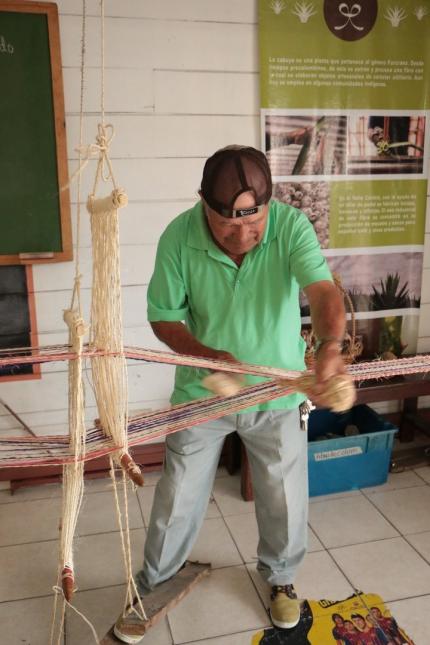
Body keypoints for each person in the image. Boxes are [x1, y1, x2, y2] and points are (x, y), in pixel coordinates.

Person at [114, 145, 346, 643]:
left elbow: (324, 292)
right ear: (204, 204)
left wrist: (330, 345)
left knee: (284, 496)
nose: (242, 236)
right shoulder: (178, 236)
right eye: (228, 226)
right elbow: (163, 316)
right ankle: (152, 583)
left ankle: (281, 578)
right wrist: (207, 354)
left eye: (254, 223)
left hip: (278, 393)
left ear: (269, 204)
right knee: (178, 492)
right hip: (204, 392)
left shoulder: (291, 226)